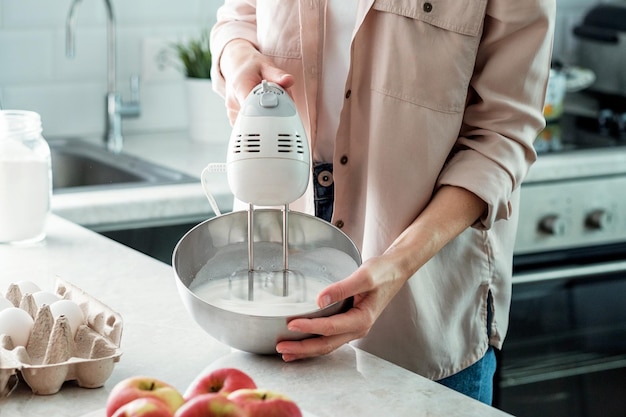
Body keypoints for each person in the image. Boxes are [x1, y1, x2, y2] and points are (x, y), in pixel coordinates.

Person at [209, 0, 555, 405]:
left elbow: (502, 136)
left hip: (419, 299)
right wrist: (236, 55)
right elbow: (238, 16)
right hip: (266, 311)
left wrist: (398, 264)